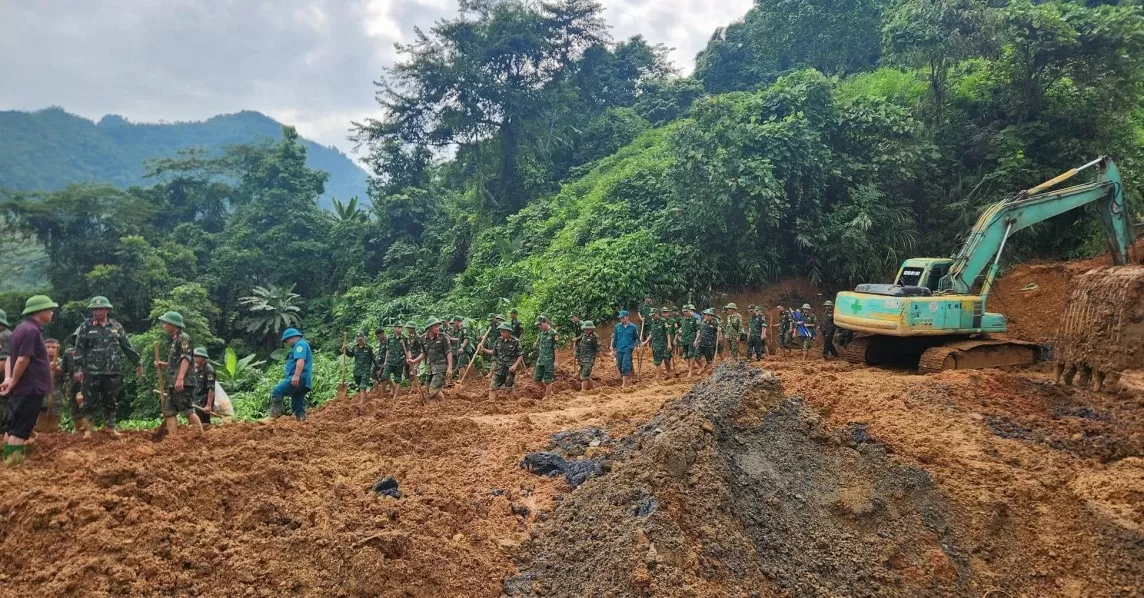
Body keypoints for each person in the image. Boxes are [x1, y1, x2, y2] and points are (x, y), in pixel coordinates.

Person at [72, 296, 142, 436]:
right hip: (91, 371)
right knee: (88, 401)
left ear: (107, 310)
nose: (97, 312)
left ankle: (110, 427)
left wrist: (137, 363)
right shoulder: (85, 327)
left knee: (110, 400)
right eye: (95, 309)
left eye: (100, 309)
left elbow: (127, 346)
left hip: (112, 370)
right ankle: (88, 429)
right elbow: (79, 349)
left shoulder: (116, 326)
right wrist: (78, 369)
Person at [0, 295, 57, 466]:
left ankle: (8, 462)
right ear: (40, 311)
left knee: (13, 426)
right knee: (20, 429)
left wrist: (9, 378)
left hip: (22, 388)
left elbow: (11, 356)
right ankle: (13, 465)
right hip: (30, 388)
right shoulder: (31, 331)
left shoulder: (19, 329)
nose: (52, 313)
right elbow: (23, 359)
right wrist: (14, 380)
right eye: (49, 310)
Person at [155, 311, 203, 436]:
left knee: (187, 410)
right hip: (174, 381)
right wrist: (164, 364)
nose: (163, 325)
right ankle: (173, 440)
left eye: (165, 322)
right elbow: (177, 362)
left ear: (173, 324)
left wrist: (180, 378)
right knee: (169, 411)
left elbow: (186, 359)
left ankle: (201, 436)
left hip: (183, 382)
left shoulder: (184, 338)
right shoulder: (175, 340)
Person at [268, 328, 312, 421]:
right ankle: (301, 421)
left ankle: (272, 417)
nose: (287, 343)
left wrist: (296, 376)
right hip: (304, 379)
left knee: (277, 391)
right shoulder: (302, 344)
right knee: (297, 403)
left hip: (300, 377)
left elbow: (300, 360)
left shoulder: (300, 345)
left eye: (287, 341)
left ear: (291, 338)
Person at [481, 322, 522, 400]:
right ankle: (491, 404)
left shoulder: (515, 341)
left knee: (508, 389)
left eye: (503, 331)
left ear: (509, 332)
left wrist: (515, 365)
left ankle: (511, 406)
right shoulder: (499, 340)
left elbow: (520, 355)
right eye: (501, 331)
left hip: (509, 369)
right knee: (492, 387)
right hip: (499, 368)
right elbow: (494, 352)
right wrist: (483, 349)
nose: (502, 333)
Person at [421, 317, 453, 402]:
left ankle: (444, 405)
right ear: (430, 328)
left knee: (433, 389)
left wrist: (450, 367)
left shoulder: (443, 337)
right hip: (429, 367)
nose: (438, 328)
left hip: (440, 366)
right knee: (428, 391)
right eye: (435, 327)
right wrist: (414, 361)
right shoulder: (423, 338)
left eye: (438, 326)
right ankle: (434, 409)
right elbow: (424, 353)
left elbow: (448, 352)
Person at [343, 333, 377, 403]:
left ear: (364, 339)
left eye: (361, 340)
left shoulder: (368, 348)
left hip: (366, 370)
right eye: (358, 340)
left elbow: (373, 358)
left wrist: (378, 368)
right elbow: (350, 354)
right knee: (359, 384)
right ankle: (364, 396)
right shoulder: (355, 347)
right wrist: (346, 350)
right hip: (357, 371)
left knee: (362, 385)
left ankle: (361, 402)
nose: (359, 341)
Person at [610, 310, 640, 389]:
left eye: (623, 317)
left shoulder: (633, 327)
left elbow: (636, 339)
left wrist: (637, 346)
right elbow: (615, 338)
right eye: (620, 318)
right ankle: (631, 377)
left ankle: (624, 384)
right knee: (619, 366)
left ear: (627, 317)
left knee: (625, 365)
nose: (621, 319)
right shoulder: (617, 327)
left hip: (628, 349)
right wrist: (613, 349)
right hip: (619, 349)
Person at [642, 308, 673, 382]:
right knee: (657, 361)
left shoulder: (663, 321)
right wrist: (645, 342)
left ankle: (669, 373)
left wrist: (669, 344)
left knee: (666, 359)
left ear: (657, 314)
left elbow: (667, 333)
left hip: (663, 344)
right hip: (655, 345)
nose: (652, 317)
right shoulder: (653, 323)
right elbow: (652, 334)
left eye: (653, 315)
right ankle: (659, 377)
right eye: (651, 316)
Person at [380, 325, 407, 400]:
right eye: (398, 327)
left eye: (401, 327)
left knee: (398, 379)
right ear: (394, 328)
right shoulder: (389, 338)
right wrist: (386, 360)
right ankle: (393, 386)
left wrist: (408, 358)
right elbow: (388, 350)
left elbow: (407, 350)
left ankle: (395, 397)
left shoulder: (404, 338)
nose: (400, 329)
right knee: (384, 376)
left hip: (399, 362)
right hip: (390, 361)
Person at [533, 316, 558, 397]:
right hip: (540, 359)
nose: (539, 327)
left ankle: (547, 397)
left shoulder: (553, 333)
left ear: (545, 322)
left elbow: (556, 348)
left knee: (548, 380)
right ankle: (549, 393)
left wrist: (556, 361)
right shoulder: (542, 333)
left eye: (540, 325)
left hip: (549, 360)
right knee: (537, 379)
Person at [192, 347, 217, 428]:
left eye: (197, 356)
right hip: (196, 398)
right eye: (194, 356)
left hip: (204, 399)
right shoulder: (196, 367)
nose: (194, 358)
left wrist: (209, 405)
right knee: (195, 421)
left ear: (203, 358)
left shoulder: (209, 370)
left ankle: (208, 434)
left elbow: (211, 388)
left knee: (204, 421)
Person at [575, 320, 601, 391]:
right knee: (586, 375)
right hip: (582, 358)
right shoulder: (583, 336)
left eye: (588, 329)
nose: (586, 330)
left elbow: (598, 348)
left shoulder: (594, 337)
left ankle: (583, 391)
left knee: (584, 376)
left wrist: (602, 358)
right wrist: (577, 355)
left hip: (589, 359)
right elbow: (580, 346)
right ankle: (593, 389)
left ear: (591, 329)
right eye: (585, 329)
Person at [695, 308, 720, 376]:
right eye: (706, 315)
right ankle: (701, 368)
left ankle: (709, 373)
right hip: (701, 343)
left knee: (709, 360)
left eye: (709, 315)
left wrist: (719, 334)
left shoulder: (715, 323)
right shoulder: (702, 322)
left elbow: (719, 331)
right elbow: (700, 331)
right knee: (696, 356)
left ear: (712, 316)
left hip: (709, 344)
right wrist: (696, 340)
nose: (707, 316)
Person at [404, 322, 425, 396]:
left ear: (413, 328)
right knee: (409, 373)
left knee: (413, 373)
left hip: (416, 358)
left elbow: (421, 349)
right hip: (410, 357)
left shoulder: (417, 337)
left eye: (409, 328)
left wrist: (418, 360)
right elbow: (408, 348)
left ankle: (414, 389)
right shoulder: (409, 337)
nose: (408, 329)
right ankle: (414, 387)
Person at [679, 304, 700, 378]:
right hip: (684, 340)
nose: (685, 312)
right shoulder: (683, 320)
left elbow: (698, 330)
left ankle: (691, 371)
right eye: (683, 311)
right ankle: (689, 369)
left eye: (686, 311)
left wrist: (696, 340)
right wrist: (680, 335)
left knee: (691, 355)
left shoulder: (695, 319)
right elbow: (682, 329)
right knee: (687, 356)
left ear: (690, 311)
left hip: (691, 340)